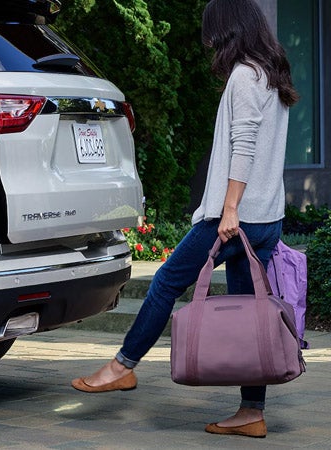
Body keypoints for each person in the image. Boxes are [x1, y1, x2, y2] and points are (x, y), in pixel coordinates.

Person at [70, 0, 299, 439]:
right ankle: (251, 412)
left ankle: (123, 366)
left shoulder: (244, 76)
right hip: (267, 217)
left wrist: (229, 209)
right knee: (250, 315)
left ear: (228, 30)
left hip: (236, 216)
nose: (209, 41)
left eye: (211, 32)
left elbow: (245, 148)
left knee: (166, 283)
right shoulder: (272, 74)